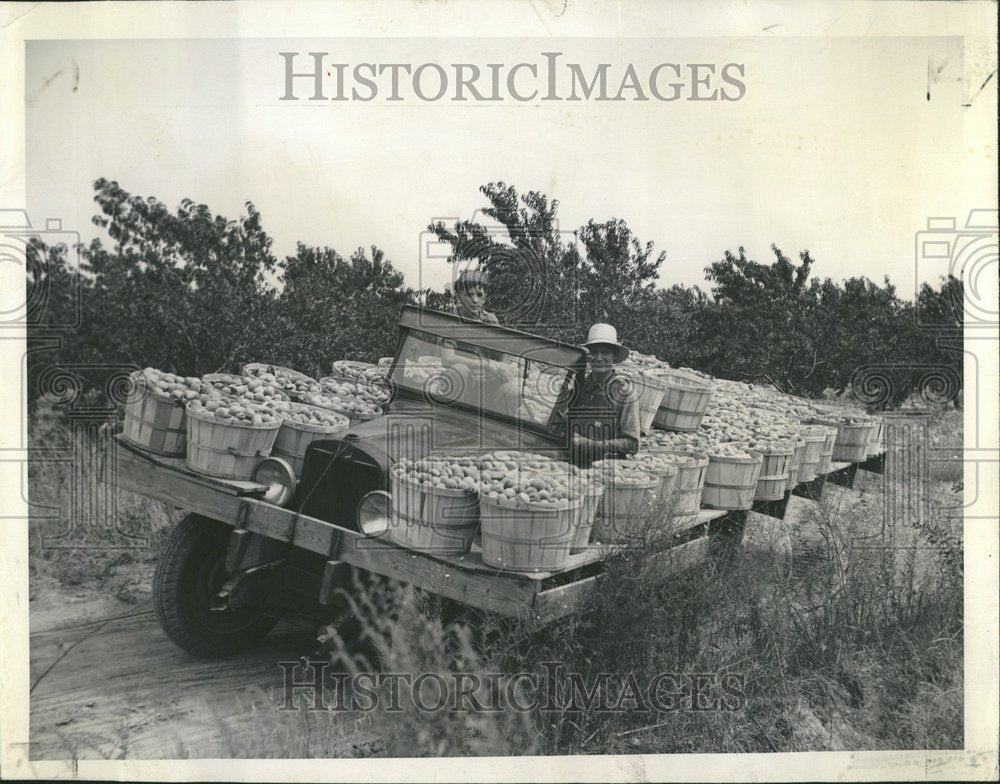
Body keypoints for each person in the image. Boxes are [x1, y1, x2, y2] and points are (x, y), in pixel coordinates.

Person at [564, 323, 641, 467]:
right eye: (594, 352)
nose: (598, 358)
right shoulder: (579, 386)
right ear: (588, 356)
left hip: (604, 470)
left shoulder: (624, 392)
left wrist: (590, 445)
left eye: (605, 352)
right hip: (571, 465)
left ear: (614, 356)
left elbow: (632, 444)